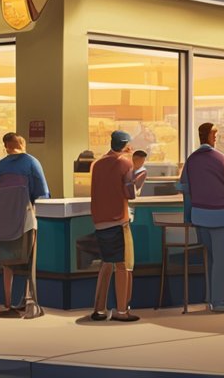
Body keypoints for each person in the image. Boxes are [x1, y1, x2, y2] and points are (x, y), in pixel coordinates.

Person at [177, 122, 224, 313]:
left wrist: (188, 218)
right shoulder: (222, 160)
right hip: (221, 215)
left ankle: (210, 298)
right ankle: (220, 303)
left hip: (199, 216)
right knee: (223, 261)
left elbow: (185, 190)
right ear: (212, 137)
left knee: (209, 258)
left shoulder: (191, 160)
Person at [0, 132, 49, 316]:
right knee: (28, 262)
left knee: (7, 264)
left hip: (2, 222)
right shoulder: (32, 162)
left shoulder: (1, 165)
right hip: (25, 220)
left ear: (6, 146)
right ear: (23, 145)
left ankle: (8, 303)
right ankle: (29, 302)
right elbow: (42, 193)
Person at [90, 130, 139, 322]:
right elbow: (130, 193)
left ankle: (99, 309)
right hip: (118, 219)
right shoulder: (125, 163)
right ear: (126, 145)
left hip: (100, 220)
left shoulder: (97, 164)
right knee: (123, 265)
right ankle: (121, 310)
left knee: (106, 263)